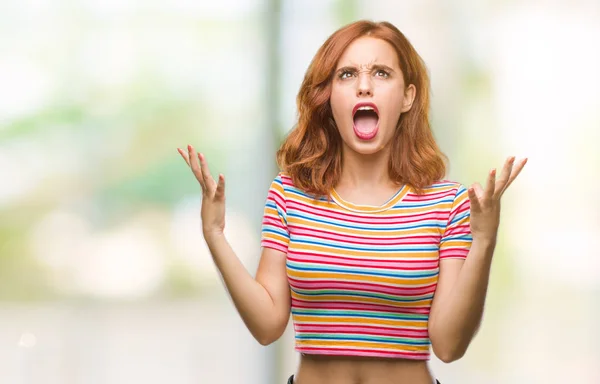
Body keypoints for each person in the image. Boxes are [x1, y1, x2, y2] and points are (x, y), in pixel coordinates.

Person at [177, 20, 526, 384]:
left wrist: (484, 240)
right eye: (346, 74)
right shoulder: (289, 195)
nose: (363, 86)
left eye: (381, 73)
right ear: (328, 95)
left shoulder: (447, 204)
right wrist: (214, 234)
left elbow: (449, 346)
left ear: (407, 96)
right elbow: (267, 326)